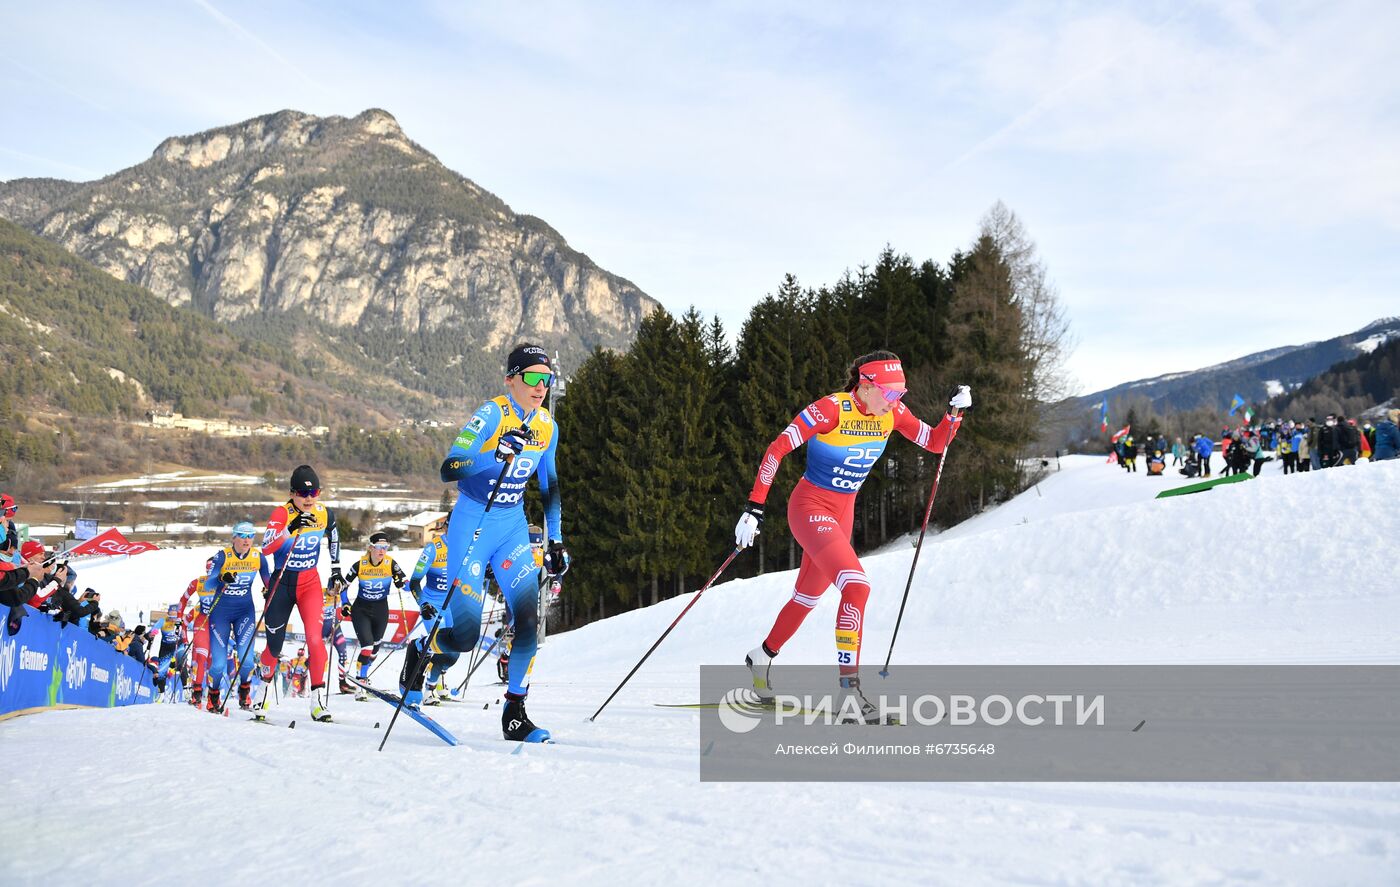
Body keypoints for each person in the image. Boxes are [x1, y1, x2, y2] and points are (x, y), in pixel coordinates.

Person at [735, 350, 968, 723]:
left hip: (842, 514)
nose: (896, 402)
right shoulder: (830, 410)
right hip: (810, 507)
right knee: (856, 587)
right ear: (866, 386)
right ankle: (849, 693)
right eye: (890, 394)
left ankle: (761, 655)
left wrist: (954, 413)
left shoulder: (891, 414)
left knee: (807, 598)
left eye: (900, 395)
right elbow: (777, 449)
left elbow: (937, 443)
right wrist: (754, 508)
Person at [403, 343, 568, 742]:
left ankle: (515, 713)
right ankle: (422, 652)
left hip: (511, 524)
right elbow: (450, 467)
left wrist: (556, 539)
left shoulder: (547, 426)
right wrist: (495, 453)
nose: (540, 386)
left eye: (546, 379)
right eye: (531, 377)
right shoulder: (492, 413)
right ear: (510, 379)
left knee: (528, 622)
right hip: (472, 522)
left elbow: (549, 486)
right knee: (464, 636)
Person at [258, 465, 342, 722]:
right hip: (282, 582)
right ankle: (263, 693)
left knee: (316, 640)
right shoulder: (281, 513)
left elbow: (334, 536)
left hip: (309, 582)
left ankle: (317, 702)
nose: (308, 498)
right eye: (303, 493)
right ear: (292, 493)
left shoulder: (323, 513)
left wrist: (336, 569)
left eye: (314, 492)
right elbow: (266, 548)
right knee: (274, 645)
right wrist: (290, 527)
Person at [203, 522, 271, 712]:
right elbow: (208, 584)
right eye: (241, 535)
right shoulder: (222, 556)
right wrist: (221, 578)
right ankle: (213, 695)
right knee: (218, 664)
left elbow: (269, 581)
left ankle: (244, 692)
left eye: (250, 536)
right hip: (221, 613)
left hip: (245, 612)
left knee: (247, 660)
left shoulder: (259, 557)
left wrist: (269, 590)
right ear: (233, 537)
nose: (246, 540)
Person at [344, 531, 408, 699]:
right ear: (371, 547)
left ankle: (363, 671)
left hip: (381, 609)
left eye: (385, 548)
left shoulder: (390, 563)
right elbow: (344, 586)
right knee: (367, 646)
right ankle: (361, 681)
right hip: (361, 609)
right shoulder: (360, 564)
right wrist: (345, 603)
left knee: (375, 650)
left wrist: (409, 584)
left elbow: (404, 582)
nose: (382, 551)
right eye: (379, 547)